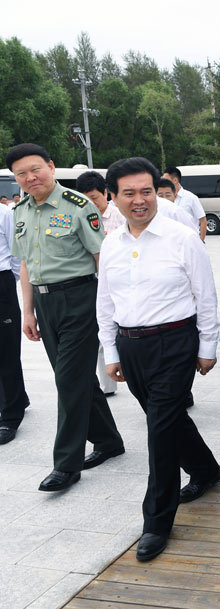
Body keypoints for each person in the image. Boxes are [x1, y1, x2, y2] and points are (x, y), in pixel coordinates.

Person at [97, 157, 220, 562]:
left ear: (157, 191)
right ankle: (205, 470)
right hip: (132, 348)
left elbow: (205, 296)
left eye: (146, 191)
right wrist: (112, 351)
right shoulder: (111, 243)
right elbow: (105, 303)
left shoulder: (181, 237)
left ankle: (156, 522)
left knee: (159, 430)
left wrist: (208, 347)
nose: (139, 200)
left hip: (175, 344)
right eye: (129, 193)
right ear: (113, 198)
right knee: (165, 419)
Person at [7, 143, 124, 491]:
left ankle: (66, 464)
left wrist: (109, 310)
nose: (30, 178)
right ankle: (108, 441)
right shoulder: (21, 211)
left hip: (80, 298)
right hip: (45, 303)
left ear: (51, 167)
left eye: (35, 169)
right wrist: (27, 310)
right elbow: (26, 263)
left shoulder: (78, 206)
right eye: (21, 174)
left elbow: (102, 256)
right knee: (74, 378)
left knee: (68, 381)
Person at [75, 171, 123, 397]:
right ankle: (107, 385)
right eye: (84, 198)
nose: (89, 203)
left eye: (94, 197)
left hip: (119, 282)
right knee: (99, 333)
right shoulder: (79, 217)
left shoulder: (120, 215)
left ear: (106, 193)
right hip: (90, 284)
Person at [0, 199, 28, 444]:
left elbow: (16, 253)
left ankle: (10, 417)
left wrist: (9, 284)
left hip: (1, 283)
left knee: (7, 351)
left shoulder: (4, 213)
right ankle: (18, 397)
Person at [162, 167, 207, 241]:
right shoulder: (163, 199)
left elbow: (203, 220)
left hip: (188, 241)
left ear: (175, 180)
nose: (163, 183)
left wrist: (201, 241)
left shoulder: (191, 198)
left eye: (166, 180)